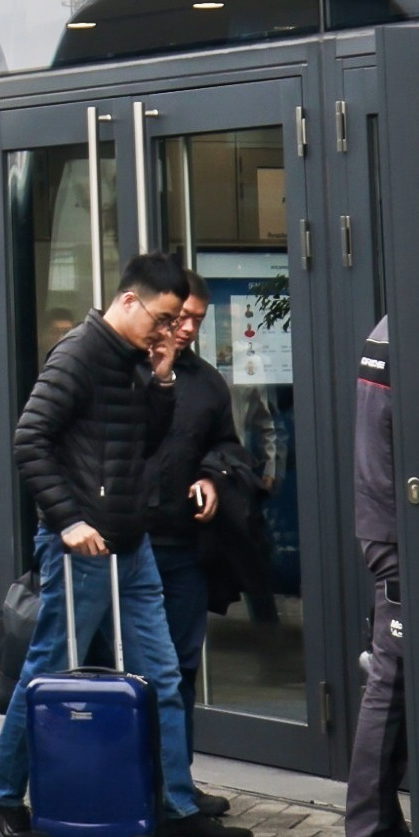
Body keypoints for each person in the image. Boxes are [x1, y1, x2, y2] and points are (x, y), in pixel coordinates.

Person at [0, 253, 249, 837]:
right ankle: (1, 797)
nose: (170, 331)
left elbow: (141, 441)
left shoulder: (134, 359)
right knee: (47, 669)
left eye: (177, 321)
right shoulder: (79, 353)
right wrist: (68, 521)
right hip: (85, 545)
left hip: (131, 541)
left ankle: (176, 807)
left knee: (164, 676)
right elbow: (30, 438)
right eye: (163, 319)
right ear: (129, 301)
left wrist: (163, 380)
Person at [140, 283, 254, 759]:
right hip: (127, 543)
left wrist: (212, 476)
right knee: (131, 667)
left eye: (198, 321)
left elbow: (228, 445)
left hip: (185, 545)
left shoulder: (206, 381)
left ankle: (177, 782)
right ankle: (132, 780)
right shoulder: (120, 368)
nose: (187, 328)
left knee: (182, 666)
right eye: (180, 317)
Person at [343, 316, 413, 837]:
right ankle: (369, 830)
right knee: (390, 681)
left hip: (388, 525)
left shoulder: (391, 334)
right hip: (398, 532)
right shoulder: (409, 336)